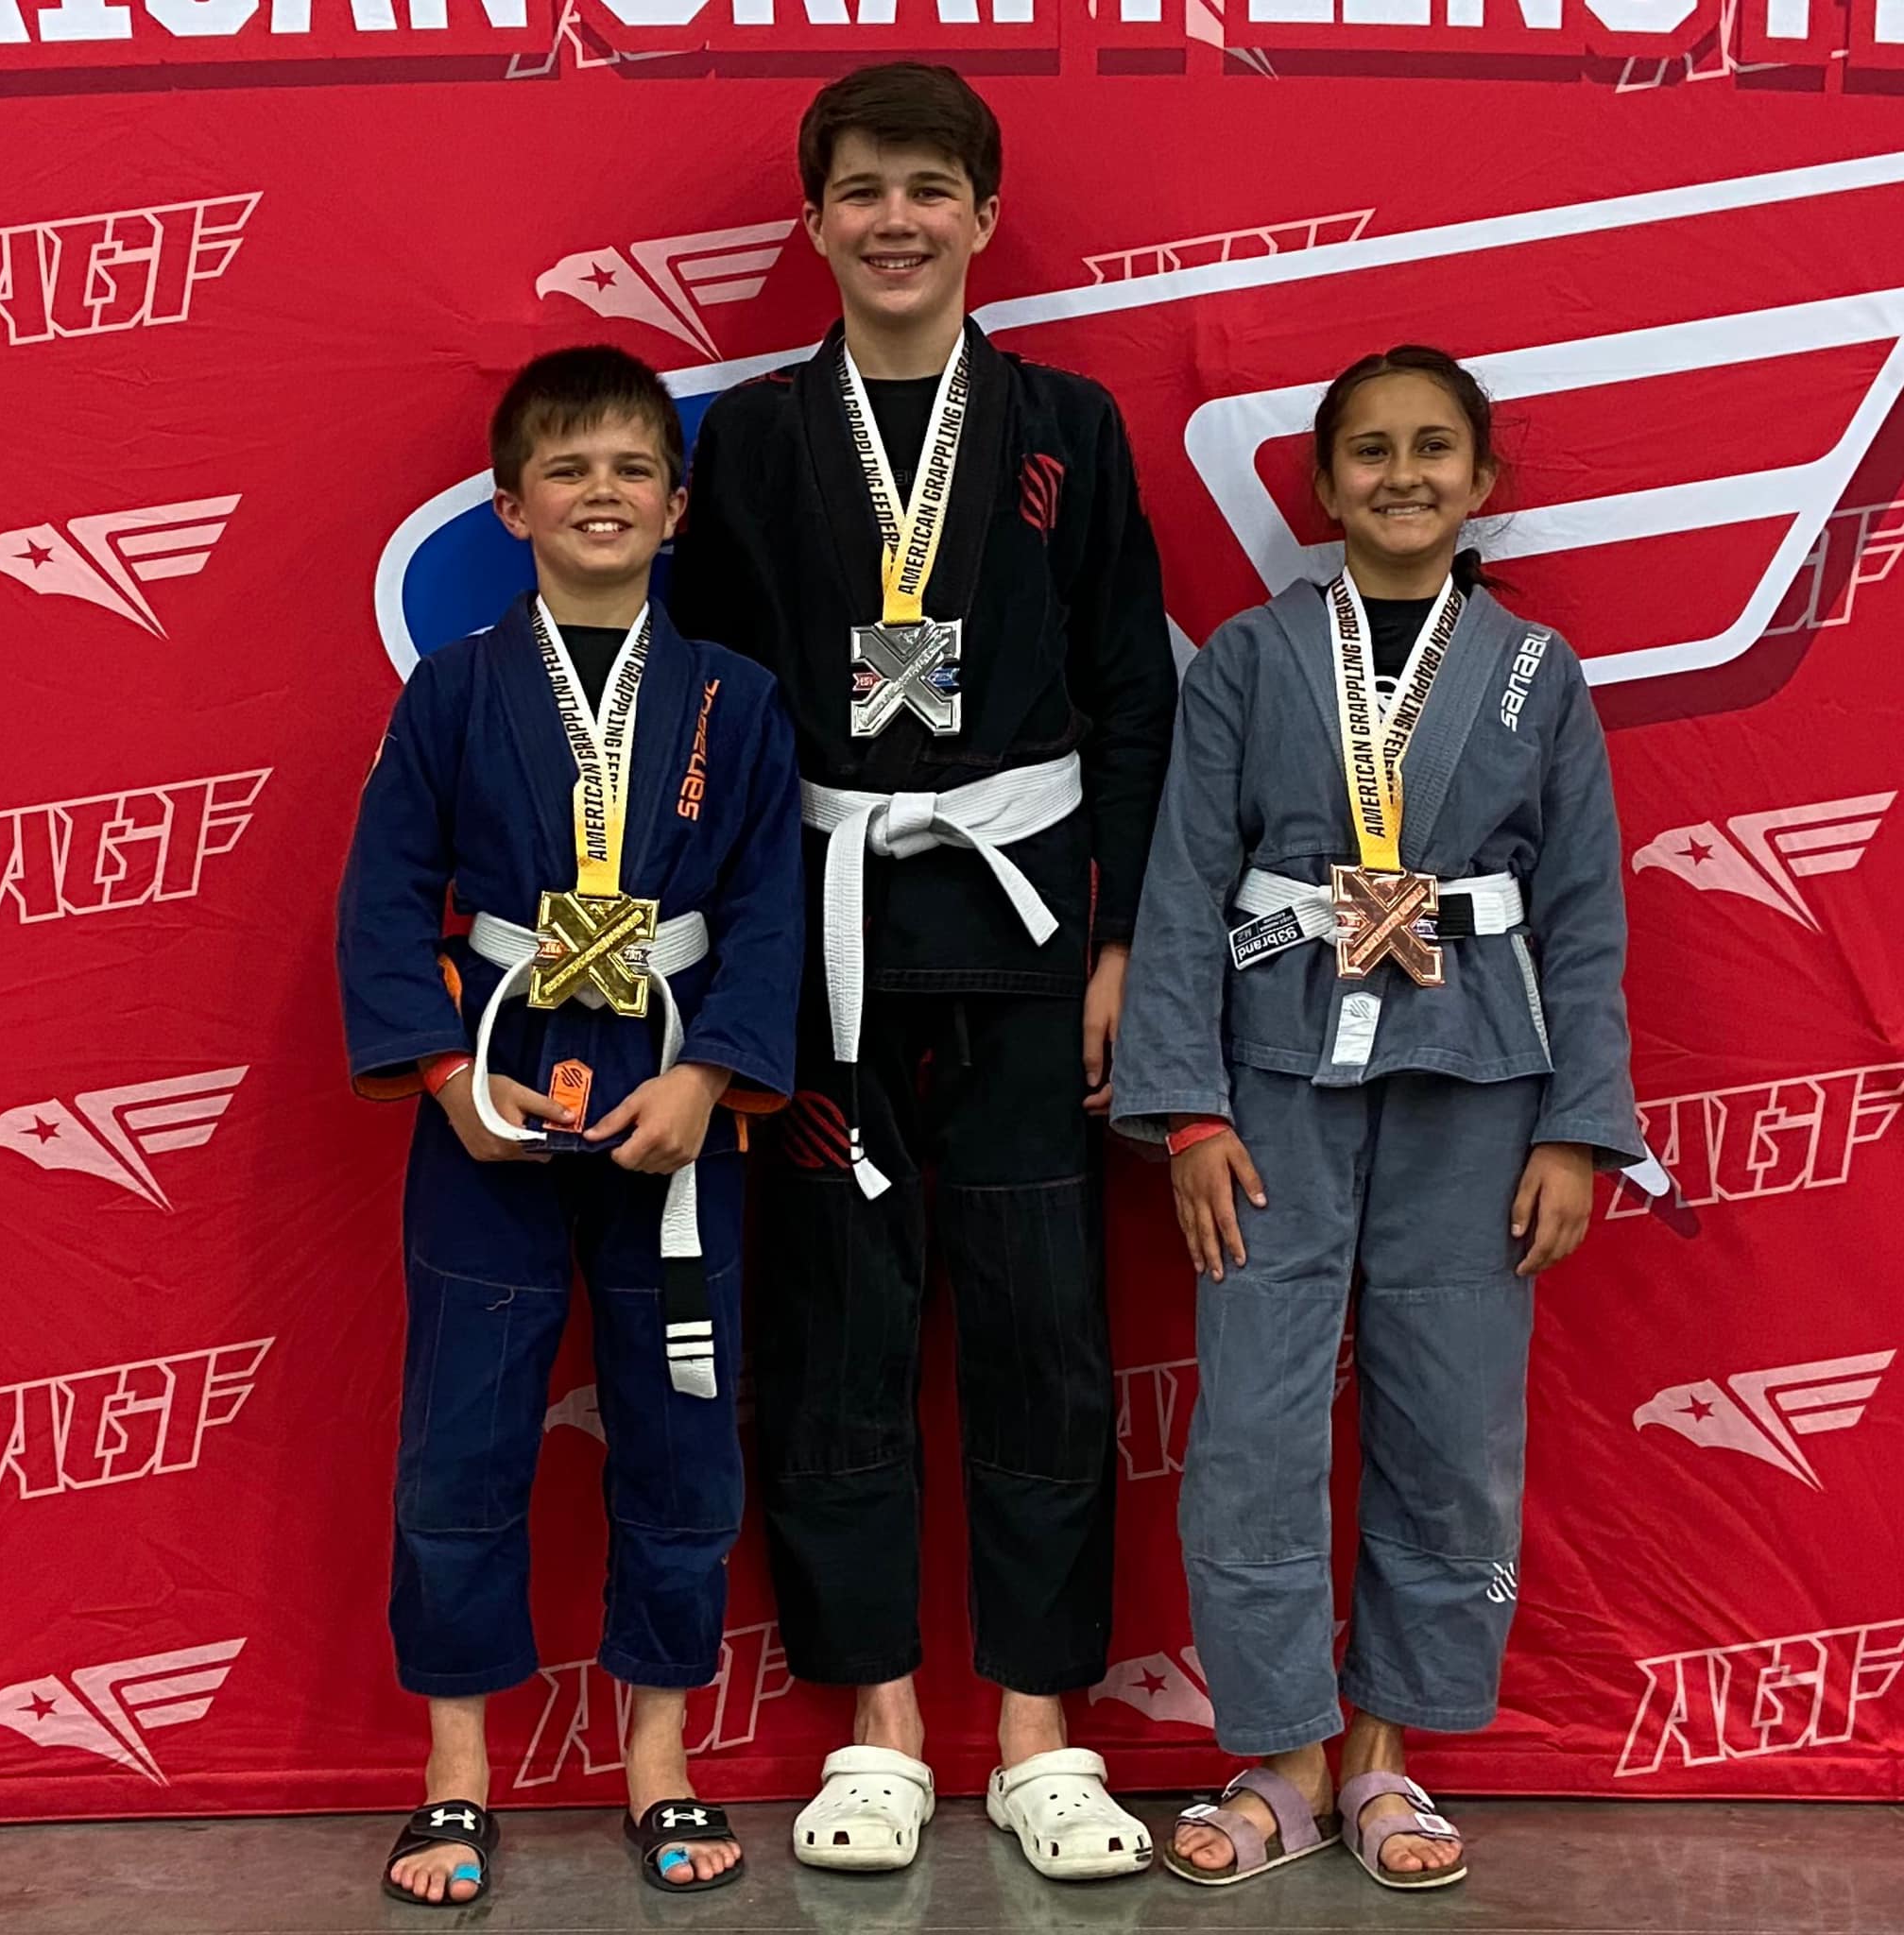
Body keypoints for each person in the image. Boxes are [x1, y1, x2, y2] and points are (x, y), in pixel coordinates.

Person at [670, 61, 1176, 1881]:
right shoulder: (742, 441)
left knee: (1047, 1332)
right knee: (835, 1335)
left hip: (1031, 940)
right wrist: (723, 981)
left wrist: (1121, 941)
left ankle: (1042, 1728)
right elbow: (710, 720)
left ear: (982, 214)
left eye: (928, 189)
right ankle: (876, 1717)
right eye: (862, 188)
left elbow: (1136, 694)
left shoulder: (1068, 423)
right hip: (821, 943)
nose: (895, 220)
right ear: (814, 219)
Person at [1110, 346, 1642, 1892]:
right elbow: (1184, 886)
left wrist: (1579, 1128)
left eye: (1432, 451)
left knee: (1453, 1425)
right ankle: (1278, 1752)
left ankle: (1387, 1757)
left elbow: (1590, 915)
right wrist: (1188, 1112)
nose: (1400, 477)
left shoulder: (1539, 675)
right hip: (1273, 1084)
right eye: (1366, 453)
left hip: (1482, 1088)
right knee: (1256, 1429)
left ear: (1487, 484)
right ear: (1321, 487)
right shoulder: (1251, 664)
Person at [337, 346, 802, 1906]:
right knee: (461, 1439)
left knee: (679, 1440)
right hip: (493, 1082)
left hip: (672, 1096)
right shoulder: (456, 688)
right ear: (509, 502)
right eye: (569, 471)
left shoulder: (735, 698)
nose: (600, 495)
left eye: (630, 473)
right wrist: (447, 1084)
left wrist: (719, 1072)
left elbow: (766, 908)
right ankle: (455, 1771)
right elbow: (389, 897)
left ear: (675, 511)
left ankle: (657, 1758)